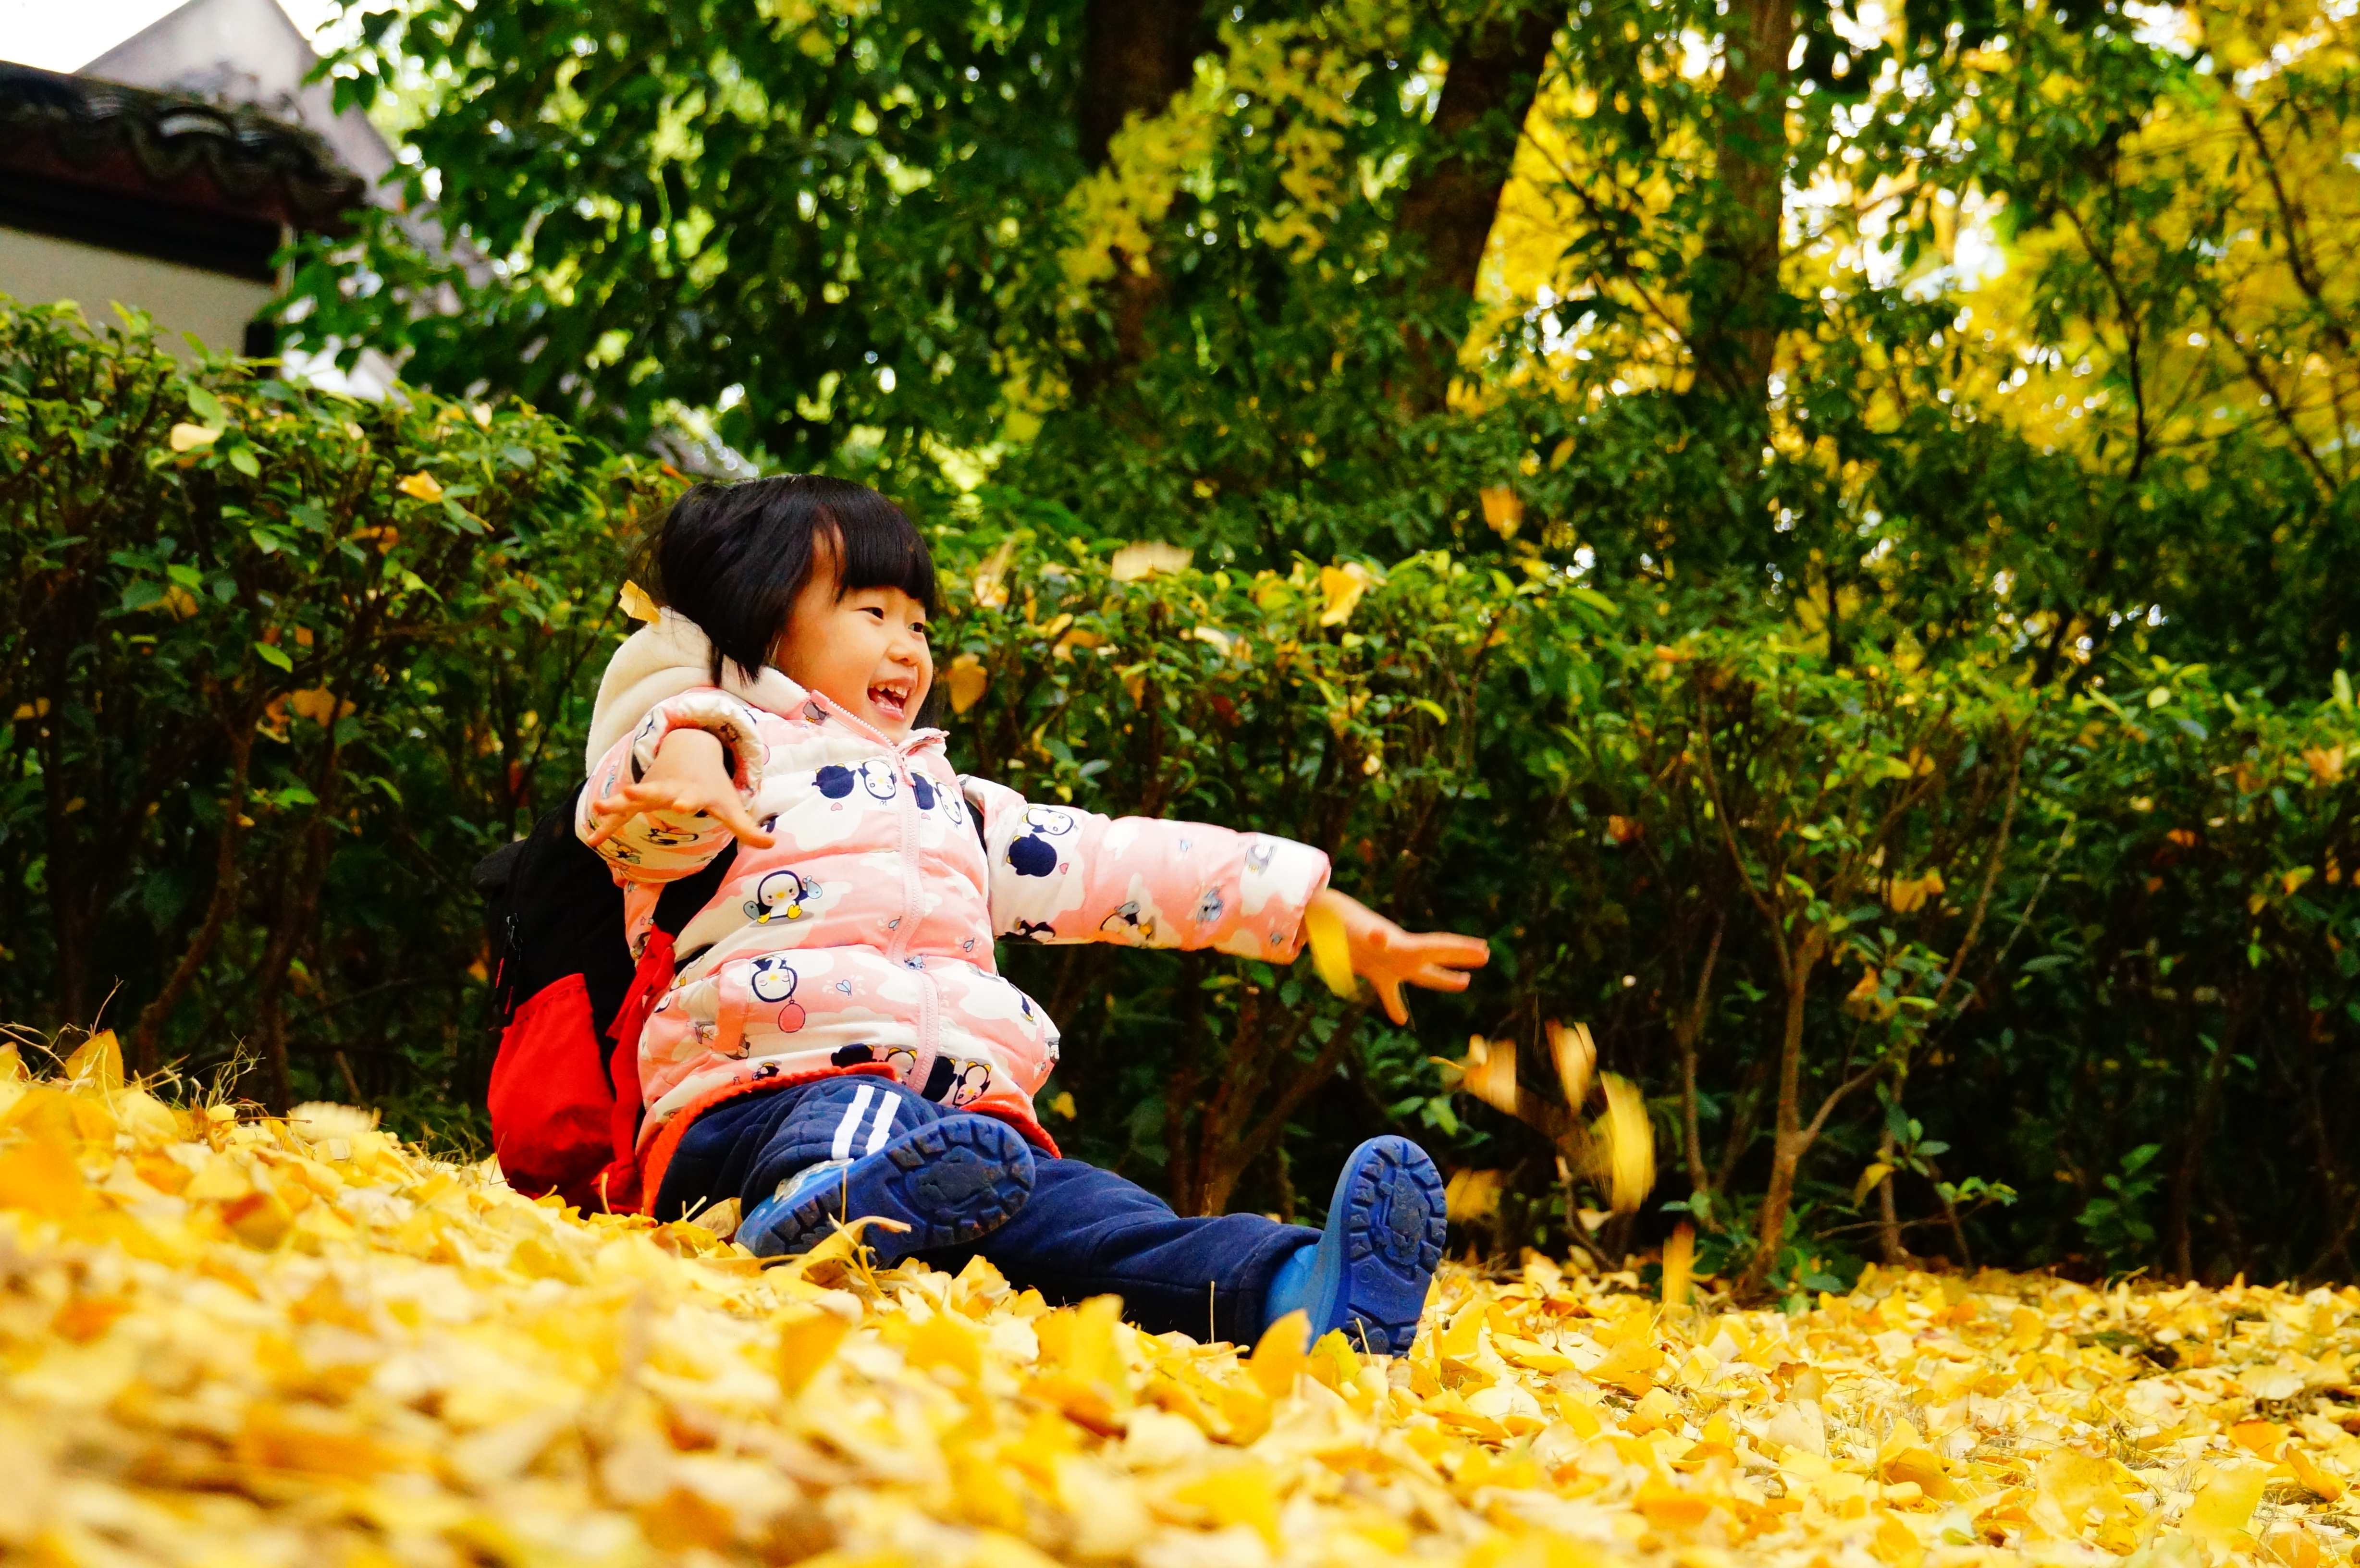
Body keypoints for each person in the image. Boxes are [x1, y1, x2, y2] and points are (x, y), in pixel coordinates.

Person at [576, 475, 1488, 1352]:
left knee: (1094, 1214)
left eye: (919, 623)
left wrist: (1317, 908)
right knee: (858, 1112)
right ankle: (825, 1200)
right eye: (873, 613)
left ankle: (1296, 1288)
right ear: (764, 622)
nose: (909, 647)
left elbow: (1122, 864)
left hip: (965, 1141)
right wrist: (688, 766)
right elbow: (642, 811)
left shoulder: (962, 811)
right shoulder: (729, 758)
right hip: (750, 1112)